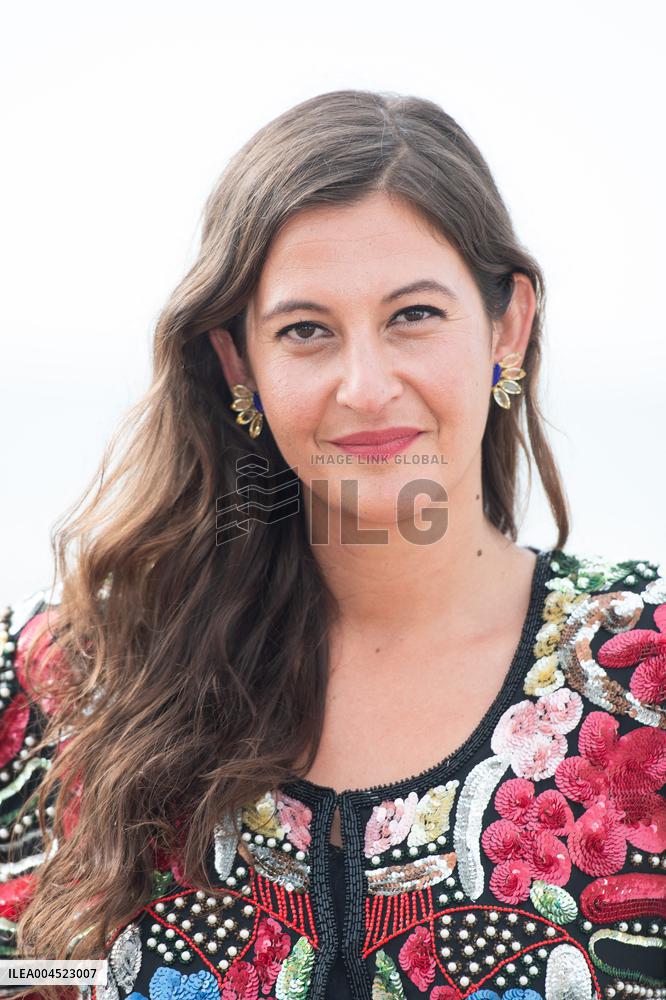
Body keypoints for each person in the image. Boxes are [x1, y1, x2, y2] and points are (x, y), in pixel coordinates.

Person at [1, 89, 664, 1000]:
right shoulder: (73, 681)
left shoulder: (646, 677)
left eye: (414, 316)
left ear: (507, 325)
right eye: (306, 331)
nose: (365, 385)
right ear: (240, 364)